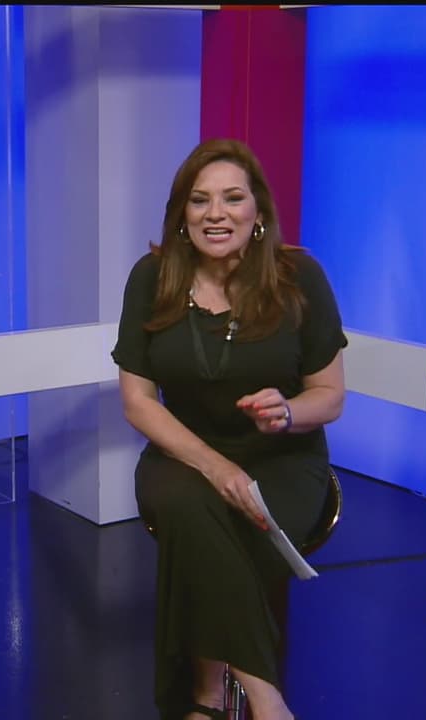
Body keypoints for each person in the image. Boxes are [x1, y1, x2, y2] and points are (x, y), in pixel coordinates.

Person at [112, 138, 347, 720]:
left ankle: (205, 695)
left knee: (227, 527)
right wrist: (216, 467)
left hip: (282, 458)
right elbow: (138, 402)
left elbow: (330, 397)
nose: (216, 213)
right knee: (192, 506)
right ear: (182, 214)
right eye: (200, 200)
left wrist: (287, 411)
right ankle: (266, 700)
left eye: (232, 198)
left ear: (257, 210)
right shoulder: (152, 277)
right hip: (183, 453)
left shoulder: (301, 277)